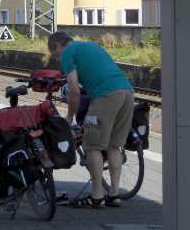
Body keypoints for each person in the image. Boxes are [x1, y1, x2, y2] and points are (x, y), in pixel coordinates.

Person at [48, 31, 134, 208]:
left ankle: (97, 197)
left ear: (57, 46)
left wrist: (69, 117)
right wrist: (87, 122)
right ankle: (114, 194)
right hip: (127, 93)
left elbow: (74, 90)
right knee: (114, 145)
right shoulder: (90, 46)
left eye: (54, 55)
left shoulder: (67, 54)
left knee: (91, 145)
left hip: (105, 95)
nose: (57, 59)